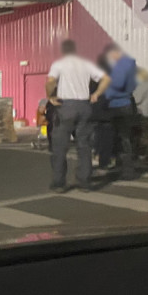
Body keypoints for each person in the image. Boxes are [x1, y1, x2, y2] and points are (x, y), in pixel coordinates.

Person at [46, 39, 110, 192]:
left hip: (66, 107)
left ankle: (59, 183)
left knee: (60, 146)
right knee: (84, 145)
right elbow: (106, 79)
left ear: (63, 50)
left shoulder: (59, 64)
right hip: (84, 106)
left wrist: (50, 96)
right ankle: (84, 182)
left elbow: (51, 81)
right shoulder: (86, 64)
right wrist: (96, 94)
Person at [102, 43, 138, 180]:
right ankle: (125, 166)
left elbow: (117, 84)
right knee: (124, 137)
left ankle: (126, 170)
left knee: (121, 138)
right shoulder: (130, 66)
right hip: (126, 104)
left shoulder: (121, 66)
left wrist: (106, 89)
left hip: (117, 106)